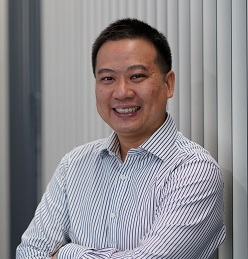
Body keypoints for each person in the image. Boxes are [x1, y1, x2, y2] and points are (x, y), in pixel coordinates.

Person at [16, 18, 226, 258]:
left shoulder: (194, 171)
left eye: (137, 76)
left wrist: (67, 253)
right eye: (108, 78)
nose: (122, 92)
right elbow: (30, 252)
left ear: (168, 84)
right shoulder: (74, 165)